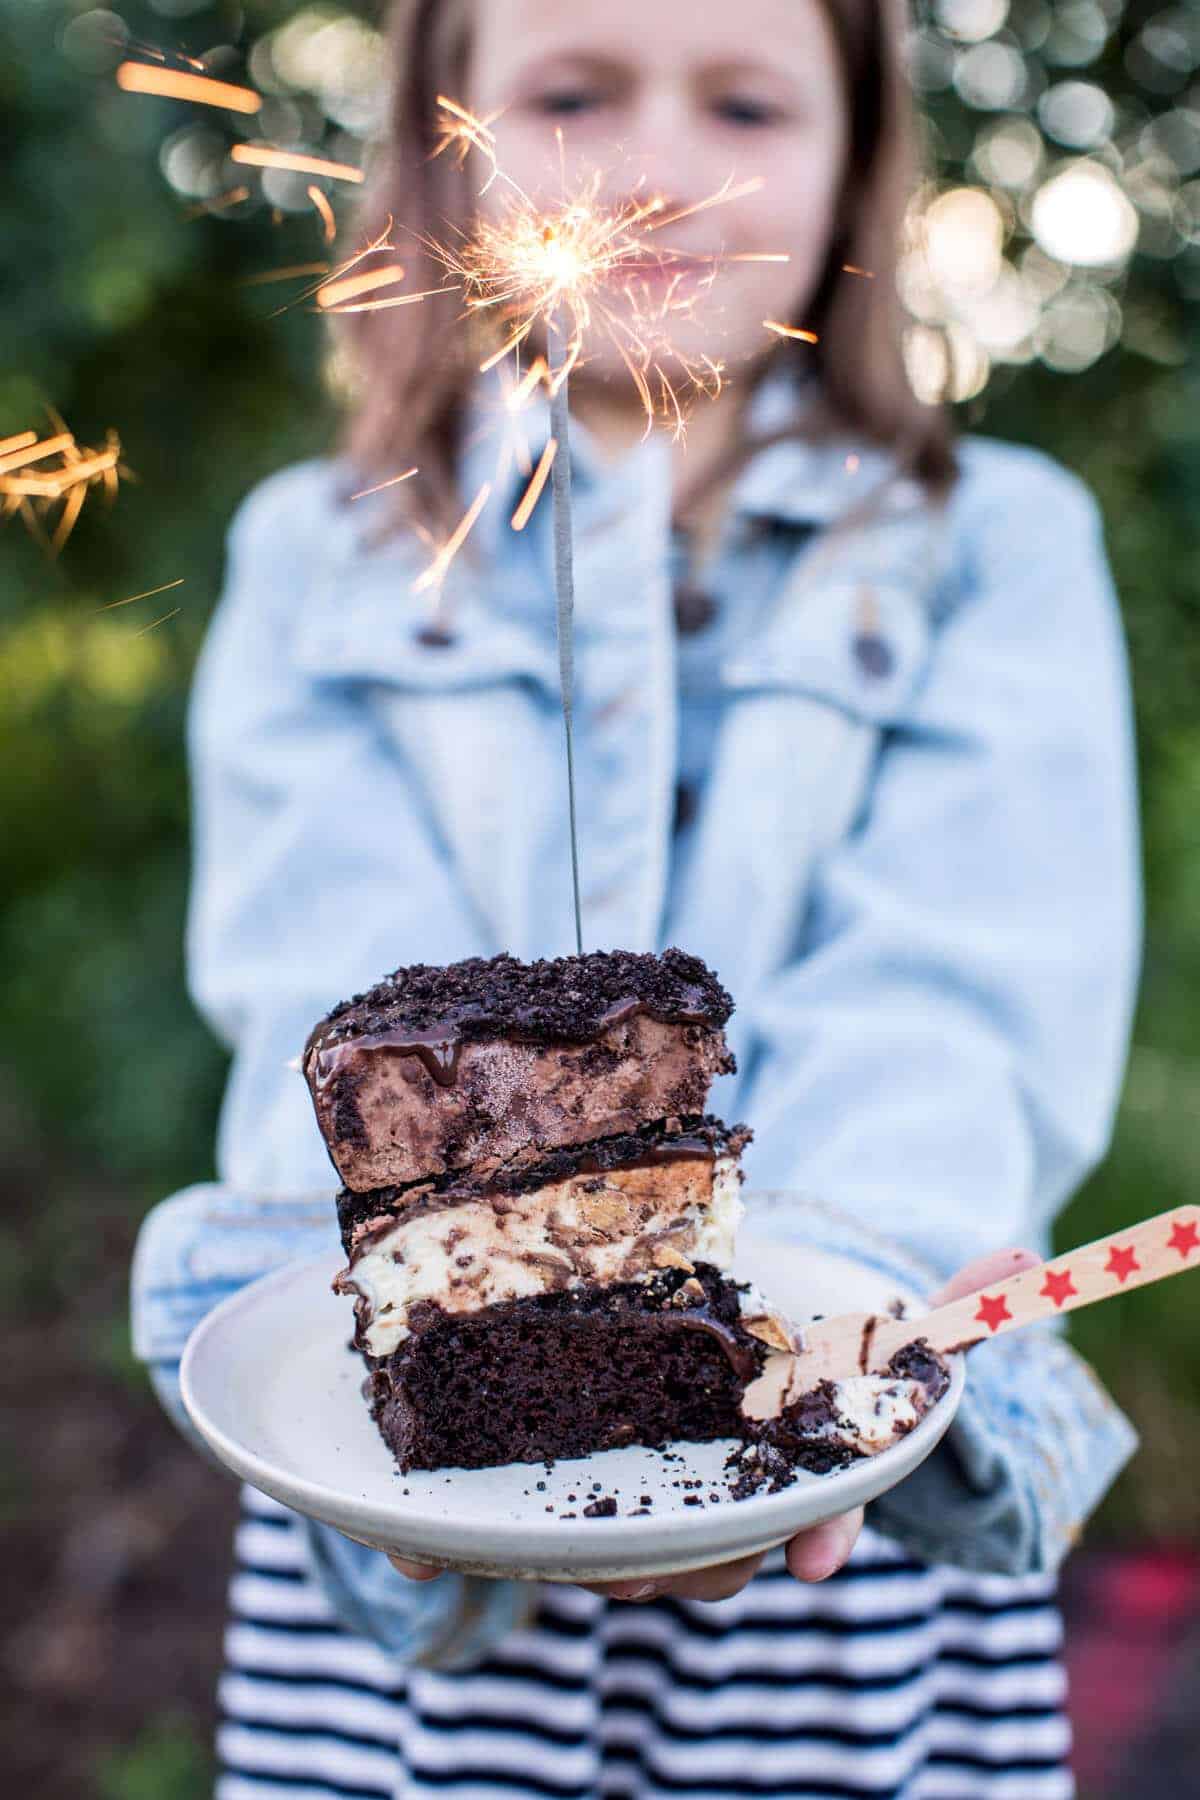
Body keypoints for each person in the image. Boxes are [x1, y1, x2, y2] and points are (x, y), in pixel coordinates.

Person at [131, 0, 1142, 1793]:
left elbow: (959, 1003)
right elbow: (334, 1007)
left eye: (745, 101)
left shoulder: (996, 540)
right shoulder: (327, 552)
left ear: (857, 165)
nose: (658, 167)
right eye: (573, 93)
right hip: (406, 1593)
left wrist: (797, 1363)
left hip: (850, 1599)